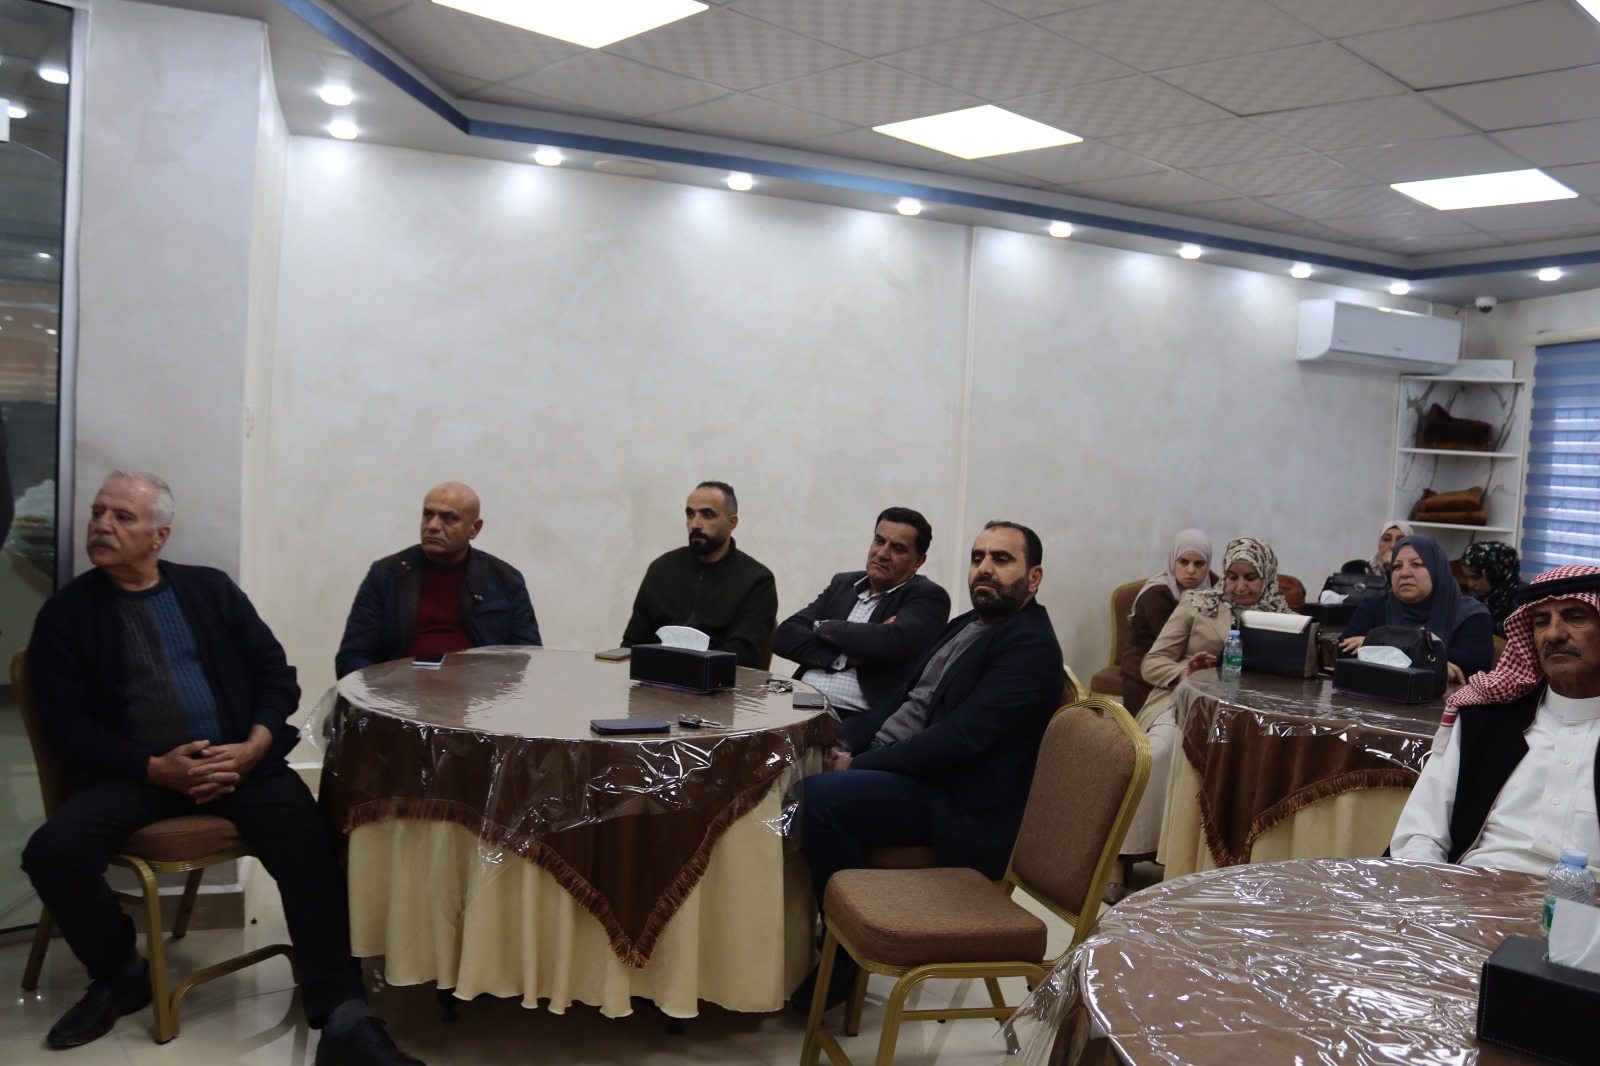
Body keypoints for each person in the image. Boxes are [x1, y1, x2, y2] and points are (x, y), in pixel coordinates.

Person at [21, 472, 420, 1064]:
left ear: (160, 535)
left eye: (122, 517)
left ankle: (343, 1017)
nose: (102, 525)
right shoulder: (66, 615)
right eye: (98, 512)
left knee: (311, 844)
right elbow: (67, 728)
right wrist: (154, 767)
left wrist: (256, 743)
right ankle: (121, 972)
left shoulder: (209, 590)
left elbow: (274, 674)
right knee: (52, 852)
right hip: (136, 777)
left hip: (240, 765)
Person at [791, 521, 1064, 1011]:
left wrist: (860, 764)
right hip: (913, 771)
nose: (984, 568)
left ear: (1034, 577)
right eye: (978, 557)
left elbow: (960, 739)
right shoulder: (968, 623)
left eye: (1001, 559)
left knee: (818, 800)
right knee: (793, 769)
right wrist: (845, 739)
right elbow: (903, 697)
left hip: (955, 800)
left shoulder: (1031, 645)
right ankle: (799, 935)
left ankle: (847, 950)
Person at [1107, 537, 1295, 902]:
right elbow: (1151, 663)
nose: (1240, 587)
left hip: (1249, 715)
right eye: (1233, 576)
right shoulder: (1198, 604)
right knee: (1161, 752)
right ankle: (1122, 855)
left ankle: (1216, 863)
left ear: (1267, 576)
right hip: (1187, 701)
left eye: (1251, 578)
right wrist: (1186, 671)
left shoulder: (1283, 618)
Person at [1389, 564, 1600, 877]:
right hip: (1474, 892)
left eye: (1576, 617)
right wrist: (1434, 892)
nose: (1554, 634)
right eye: (1541, 622)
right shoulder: (1482, 719)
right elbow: (1420, 834)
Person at [335, 481, 540, 678]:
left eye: (448, 518)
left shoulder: (505, 580)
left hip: (480, 696)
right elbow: (353, 657)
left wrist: (487, 692)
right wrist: (386, 694)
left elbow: (526, 659)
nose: (432, 525)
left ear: (474, 528)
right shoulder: (385, 575)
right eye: (427, 514)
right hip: (399, 695)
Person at [772, 508, 951, 718]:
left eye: (898, 548)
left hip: (856, 717)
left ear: (918, 561)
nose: (882, 553)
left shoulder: (928, 597)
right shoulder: (843, 583)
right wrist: (845, 657)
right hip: (801, 701)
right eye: (879, 540)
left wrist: (821, 626)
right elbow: (784, 636)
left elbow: (887, 643)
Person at [621, 481, 778, 668]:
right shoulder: (661, 569)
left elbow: (743, 656)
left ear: (731, 523)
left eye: (707, 515)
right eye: (690, 514)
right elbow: (632, 644)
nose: (695, 524)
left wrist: (683, 668)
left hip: (716, 680)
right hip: (652, 676)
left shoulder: (757, 580)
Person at [1338, 533, 1494, 684]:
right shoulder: (1373, 607)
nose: (1405, 573)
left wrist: (1377, 645)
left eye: (1417, 564)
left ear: (1437, 569)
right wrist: (1431, 661)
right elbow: (1344, 654)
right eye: (1397, 566)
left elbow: (1475, 665)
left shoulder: (1472, 614)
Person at [1118, 530, 1214, 715]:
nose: (1191, 570)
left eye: (1199, 564)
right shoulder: (1157, 594)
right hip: (1147, 660)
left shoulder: (1213, 587)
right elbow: (1171, 643)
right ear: (1173, 561)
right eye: (1184, 562)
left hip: (1190, 658)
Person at [1460, 540, 1524, 633]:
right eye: (1467, 577)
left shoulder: (1523, 601)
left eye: (1476, 577)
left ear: (1497, 573)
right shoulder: (1476, 597)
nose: (1470, 584)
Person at [1342, 520, 1413, 578]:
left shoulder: (1414, 576)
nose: (1392, 545)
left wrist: (1392, 567)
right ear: (1379, 544)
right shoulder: (1357, 570)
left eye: (1400, 540)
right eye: (1386, 539)